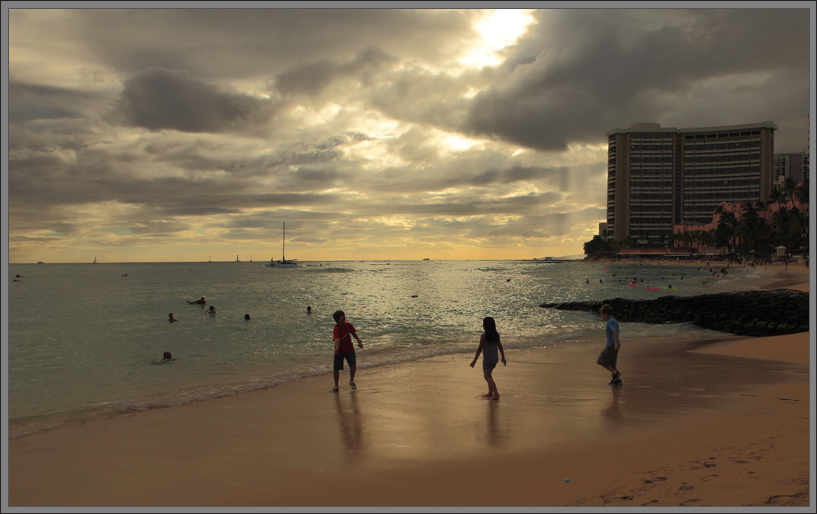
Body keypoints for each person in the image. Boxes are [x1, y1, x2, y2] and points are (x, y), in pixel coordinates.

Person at [470, 317, 506, 400]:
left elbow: (479, 348)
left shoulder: (484, 336)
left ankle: (496, 393)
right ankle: (490, 393)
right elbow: (500, 347)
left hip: (487, 360)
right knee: (489, 375)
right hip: (494, 358)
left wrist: (474, 360)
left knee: (486, 377)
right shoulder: (496, 335)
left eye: (483, 324)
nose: (482, 325)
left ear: (486, 326)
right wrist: (503, 357)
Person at [332, 310, 363, 392]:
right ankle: (336, 386)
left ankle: (351, 380)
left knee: (353, 364)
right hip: (340, 351)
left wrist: (359, 341)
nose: (344, 318)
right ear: (338, 319)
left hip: (349, 349)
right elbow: (337, 339)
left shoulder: (348, 325)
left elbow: (353, 333)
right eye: (342, 317)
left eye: (344, 317)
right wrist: (337, 348)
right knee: (336, 369)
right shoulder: (336, 328)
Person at [597, 304, 622, 385]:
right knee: (612, 363)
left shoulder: (610, 321)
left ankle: (616, 373)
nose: (601, 316)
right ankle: (616, 380)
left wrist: (615, 344)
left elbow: (614, 331)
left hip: (611, 345)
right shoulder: (614, 320)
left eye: (602, 314)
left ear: (606, 314)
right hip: (615, 344)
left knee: (601, 361)